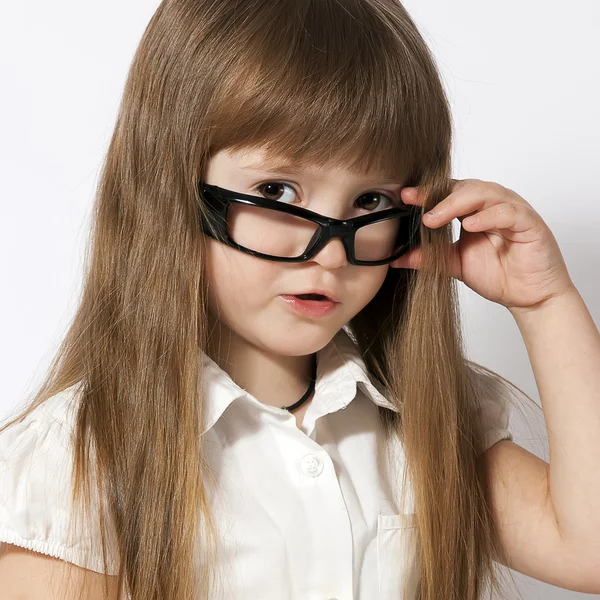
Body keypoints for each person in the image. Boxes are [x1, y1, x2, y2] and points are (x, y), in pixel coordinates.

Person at [1, 1, 600, 599]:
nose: (332, 254)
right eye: (277, 190)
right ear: (171, 190)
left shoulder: (427, 417)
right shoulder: (75, 463)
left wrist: (545, 304)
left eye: (369, 202)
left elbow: (588, 551)